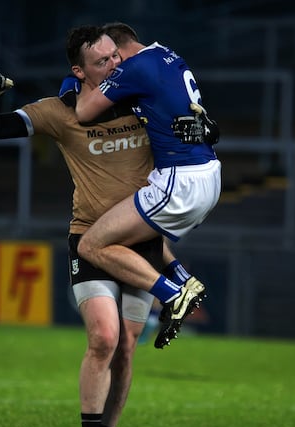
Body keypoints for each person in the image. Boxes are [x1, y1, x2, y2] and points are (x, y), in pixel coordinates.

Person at [0, 25, 198, 427]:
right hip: (90, 238)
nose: (115, 65)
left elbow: (190, 128)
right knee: (103, 338)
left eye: (116, 56)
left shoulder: (139, 99)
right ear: (79, 70)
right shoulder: (61, 111)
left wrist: (201, 128)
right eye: (102, 62)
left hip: (140, 244)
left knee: (127, 349)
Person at [74, 22, 222, 349]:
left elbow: (83, 112)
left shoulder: (135, 67)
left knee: (91, 245)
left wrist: (81, 79)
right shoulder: (165, 55)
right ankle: (183, 278)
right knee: (133, 228)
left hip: (180, 180)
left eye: (113, 56)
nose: (112, 64)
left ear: (122, 48)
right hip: (206, 172)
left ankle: (173, 295)